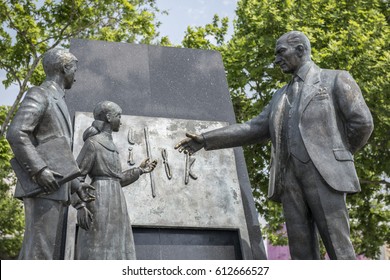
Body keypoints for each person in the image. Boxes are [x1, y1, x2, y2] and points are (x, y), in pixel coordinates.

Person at [175, 31, 374, 260]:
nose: (276, 59)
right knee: (300, 252)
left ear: (300, 49)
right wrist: (206, 139)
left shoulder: (335, 79)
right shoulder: (280, 95)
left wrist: (337, 156)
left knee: (339, 248)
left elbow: (363, 123)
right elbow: (254, 128)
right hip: (289, 180)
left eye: (281, 52)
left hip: (325, 175)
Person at [6, 48, 94, 259]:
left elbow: (59, 153)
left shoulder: (59, 100)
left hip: (56, 188)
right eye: (74, 70)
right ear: (65, 68)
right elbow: (16, 132)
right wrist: (40, 170)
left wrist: (76, 185)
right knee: (39, 251)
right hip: (43, 186)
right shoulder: (40, 94)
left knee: (43, 251)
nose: (76, 76)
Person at [74, 101, 157, 260]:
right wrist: (80, 206)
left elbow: (116, 179)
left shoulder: (110, 144)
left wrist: (140, 170)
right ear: (108, 117)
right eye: (119, 115)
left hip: (117, 201)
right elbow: (77, 177)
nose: (121, 120)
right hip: (98, 200)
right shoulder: (92, 143)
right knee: (98, 246)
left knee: (118, 249)